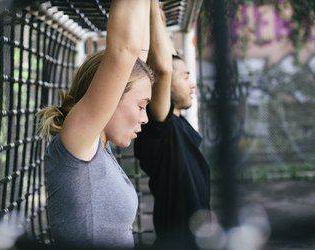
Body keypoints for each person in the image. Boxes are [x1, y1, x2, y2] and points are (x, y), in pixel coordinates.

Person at [36, 0, 153, 248]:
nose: (145, 118)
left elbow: (136, 56)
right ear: (110, 95)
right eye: (141, 106)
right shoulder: (79, 143)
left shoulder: (98, 147)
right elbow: (125, 50)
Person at [134, 1, 211, 249]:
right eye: (186, 76)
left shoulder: (176, 123)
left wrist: (160, 18)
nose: (192, 84)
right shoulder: (160, 127)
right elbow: (163, 68)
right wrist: (153, 9)